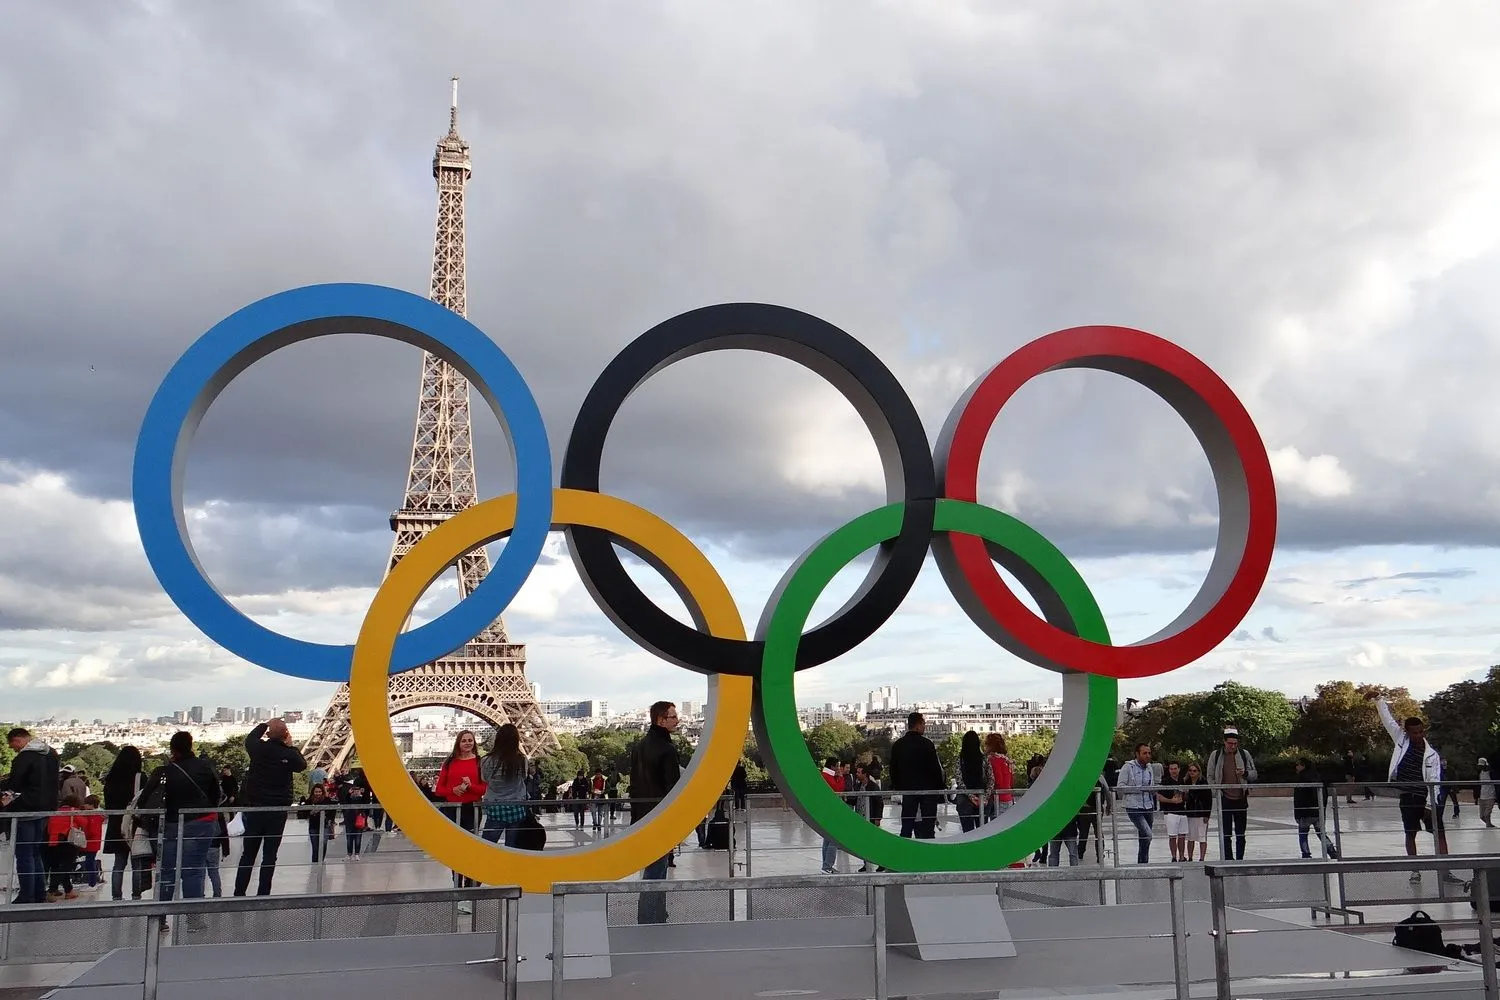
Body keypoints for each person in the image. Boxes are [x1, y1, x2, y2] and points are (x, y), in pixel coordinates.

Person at [1372, 694, 1461, 884]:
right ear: (1407, 732)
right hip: (1408, 796)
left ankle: (1446, 871)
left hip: (1425, 797)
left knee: (1439, 833)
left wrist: (1430, 805)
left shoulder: (1432, 755)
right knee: (1410, 833)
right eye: (1414, 733)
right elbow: (1388, 721)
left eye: (1421, 732)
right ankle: (1415, 870)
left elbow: (1434, 781)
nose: (1419, 736)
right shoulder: (1401, 740)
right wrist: (1379, 701)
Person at [152, 731, 222, 932]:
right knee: (194, 871)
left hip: (172, 823)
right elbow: (216, 795)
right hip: (201, 822)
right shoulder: (205, 767)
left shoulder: (166, 771)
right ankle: (193, 920)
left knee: (167, 872)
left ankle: (160, 919)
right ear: (191, 745)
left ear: (173, 749)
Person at [234, 719, 306, 897]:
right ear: (285, 734)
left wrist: (265, 724)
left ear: (267, 734)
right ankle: (263, 893)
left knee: (248, 855)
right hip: (277, 810)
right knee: (270, 856)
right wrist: (290, 746)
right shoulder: (288, 753)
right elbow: (302, 765)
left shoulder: (258, 749)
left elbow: (250, 738)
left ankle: (239, 893)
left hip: (256, 808)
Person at [630, 701, 681, 923]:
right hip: (661, 816)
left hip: (642, 815)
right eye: (673, 716)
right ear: (661, 720)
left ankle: (656, 913)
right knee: (657, 870)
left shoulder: (639, 746)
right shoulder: (667, 749)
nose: (677, 720)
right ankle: (650, 916)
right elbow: (673, 788)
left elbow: (635, 784)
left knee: (654, 867)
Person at [1, 727, 60, 904]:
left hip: (26, 808)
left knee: (24, 854)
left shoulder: (24, 757)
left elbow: (15, 784)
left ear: (18, 740)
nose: (13, 749)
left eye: (12, 745)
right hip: (45, 809)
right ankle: (39, 893)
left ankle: (27, 895)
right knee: (35, 853)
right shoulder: (51, 754)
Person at [435, 730, 487, 888]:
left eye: (470, 740)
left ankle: (470, 879)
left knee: (470, 847)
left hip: (471, 809)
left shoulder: (480, 762)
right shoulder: (449, 762)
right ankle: (457, 880)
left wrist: (471, 786)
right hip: (452, 810)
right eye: (464, 740)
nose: (467, 743)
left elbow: (484, 788)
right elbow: (439, 790)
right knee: (456, 848)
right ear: (458, 742)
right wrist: (453, 790)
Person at [102, 746, 150, 900]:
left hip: (116, 824)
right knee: (137, 864)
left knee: (118, 864)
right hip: (134, 823)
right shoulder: (140, 777)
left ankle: (116, 896)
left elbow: (108, 804)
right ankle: (136, 895)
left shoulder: (111, 778)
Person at [889, 713, 944, 839]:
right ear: (918, 725)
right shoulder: (927, 744)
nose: (924, 727)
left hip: (908, 790)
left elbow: (893, 769)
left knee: (907, 825)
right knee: (928, 827)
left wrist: (898, 786)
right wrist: (939, 788)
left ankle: (905, 849)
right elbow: (935, 769)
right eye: (923, 724)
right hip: (928, 791)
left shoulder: (898, 745)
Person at [1205, 728, 1257, 861]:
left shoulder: (1244, 754)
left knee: (1241, 834)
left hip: (1241, 798)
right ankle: (1228, 859)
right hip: (1224, 798)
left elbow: (1254, 774)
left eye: (1235, 743)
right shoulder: (1216, 755)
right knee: (1226, 834)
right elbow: (1210, 776)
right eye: (1230, 743)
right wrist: (1216, 792)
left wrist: (1245, 773)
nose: (1232, 746)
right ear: (1224, 742)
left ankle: (1240, 859)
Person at [481, 724, 531, 851]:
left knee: (487, 847)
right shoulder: (522, 760)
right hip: (516, 807)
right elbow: (524, 777)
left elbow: (485, 779)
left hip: (495, 807)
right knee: (513, 849)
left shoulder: (486, 760)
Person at [1117, 743, 1156, 864]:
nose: (1147, 756)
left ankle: (1143, 863)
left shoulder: (1149, 768)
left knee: (1144, 838)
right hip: (1134, 806)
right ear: (1137, 754)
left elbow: (1151, 785)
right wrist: (1138, 789)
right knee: (1147, 834)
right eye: (1144, 753)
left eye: (1149, 753)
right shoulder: (1128, 767)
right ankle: (1142, 862)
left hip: (1148, 806)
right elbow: (1120, 787)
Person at [1292, 758, 1338, 859]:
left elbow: (1299, 798)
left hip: (1305, 812)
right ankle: (1331, 851)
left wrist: (1297, 814)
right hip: (1318, 811)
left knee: (1303, 833)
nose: (1296, 767)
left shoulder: (1301, 778)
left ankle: (1306, 853)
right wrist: (1322, 809)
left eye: (1298, 765)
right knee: (1321, 833)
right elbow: (1324, 795)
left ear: (1303, 766)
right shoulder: (1318, 776)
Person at [955, 731, 985, 833]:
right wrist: (985, 796)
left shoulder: (960, 760)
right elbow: (990, 779)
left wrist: (970, 796)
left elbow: (959, 780)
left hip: (964, 799)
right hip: (981, 797)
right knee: (983, 831)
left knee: (967, 832)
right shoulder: (984, 759)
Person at [1182, 762, 1213, 862]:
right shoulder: (1186, 782)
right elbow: (1184, 798)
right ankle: (1190, 857)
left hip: (1201, 812)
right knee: (1190, 837)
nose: (1192, 772)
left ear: (1198, 772)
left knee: (1202, 837)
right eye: (1190, 770)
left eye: (1194, 771)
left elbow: (1208, 800)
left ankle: (1202, 858)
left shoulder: (1203, 782)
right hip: (1190, 812)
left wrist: (1207, 814)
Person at [1157, 761, 1187, 862]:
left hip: (1182, 812)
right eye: (1171, 769)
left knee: (1182, 836)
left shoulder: (1183, 781)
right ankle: (1174, 857)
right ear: (1169, 770)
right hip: (1170, 812)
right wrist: (1171, 801)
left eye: (1175, 768)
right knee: (1172, 836)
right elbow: (1159, 796)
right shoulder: (1165, 782)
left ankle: (1182, 857)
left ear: (1179, 769)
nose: (1173, 771)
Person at [982, 733, 1014, 822]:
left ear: (990, 745)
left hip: (997, 799)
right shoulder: (1006, 760)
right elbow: (1011, 781)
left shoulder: (992, 760)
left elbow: (997, 781)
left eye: (986, 744)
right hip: (1008, 797)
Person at [1479, 758, 1495, 828]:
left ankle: (1489, 825)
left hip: (1491, 795)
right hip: (1482, 796)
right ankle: (1489, 824)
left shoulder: (1491, 773)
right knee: (1482, 816)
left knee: (1487, 814)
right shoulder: (1480, 773)